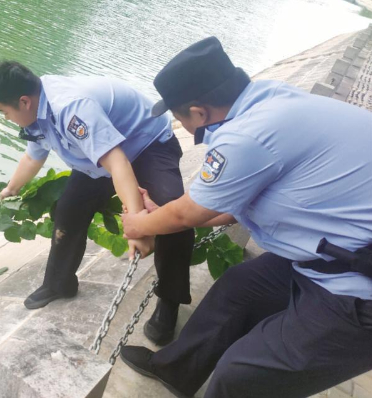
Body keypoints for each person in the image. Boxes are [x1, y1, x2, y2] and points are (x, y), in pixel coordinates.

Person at [119, 37, 372, 398]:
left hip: (356, 291)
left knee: (241, 375)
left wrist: (139, 224)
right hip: (329, 256)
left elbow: (187, 212)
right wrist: (162, 216)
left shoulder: (246, 135)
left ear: (199, 113)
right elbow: (221, 207)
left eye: (179, 119)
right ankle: (176, 371)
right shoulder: (268, 99)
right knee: (238, 289)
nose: (184, 127)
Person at [0, 61, 195, 345]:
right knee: (68, 210)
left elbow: (117, 163)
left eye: (4, 112)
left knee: (171, 215)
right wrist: (10, 189)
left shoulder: (70, 108)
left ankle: (169, 301)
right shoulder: (35, 111)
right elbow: (33, 156)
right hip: (103, 157)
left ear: (23, 101)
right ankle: (58, 283)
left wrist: (139, 226)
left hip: (146, 144)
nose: (6, 118)